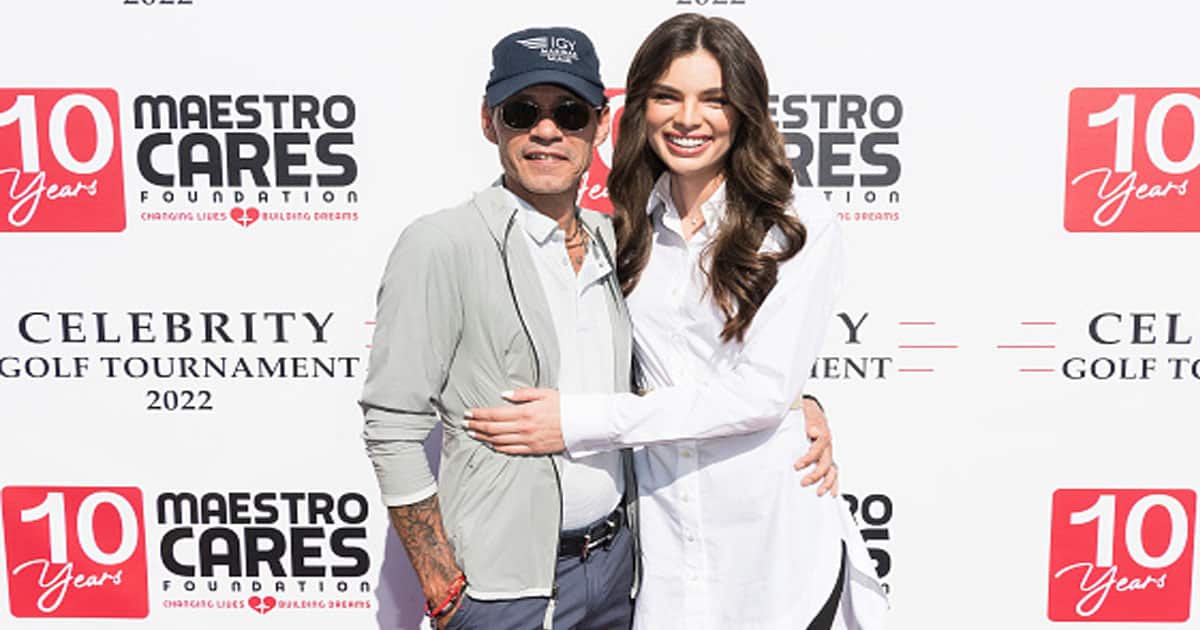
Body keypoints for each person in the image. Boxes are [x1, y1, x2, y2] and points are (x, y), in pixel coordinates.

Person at [361, 25, 839, 630]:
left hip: (624, 570)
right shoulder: (443, 244)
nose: (546, 129)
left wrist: (797, 402)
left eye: (568, 112)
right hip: (505, 588)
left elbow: (707, 365)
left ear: (600, 124)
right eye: (521, 111)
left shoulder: (621, 237)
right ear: (490, 122)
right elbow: (391, 423)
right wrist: (441, 586)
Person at [465, 14, 887, 630]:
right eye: (667, 96)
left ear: (745, 111)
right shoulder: (621, 226)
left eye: (714, 100)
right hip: (664, 553)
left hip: (774, 552)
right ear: (639, 107)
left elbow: (759, 394)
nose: (688, 119)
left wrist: (578, 421)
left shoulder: (796, 224)